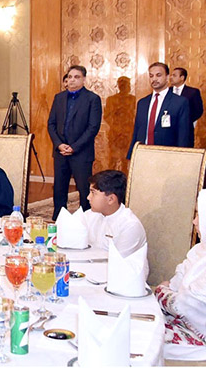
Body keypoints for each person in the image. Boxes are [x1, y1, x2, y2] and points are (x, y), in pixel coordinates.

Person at [154, 190, 206, 360]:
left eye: (199, 216)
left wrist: (161, 291)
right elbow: (176, 282)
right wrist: (168, 291)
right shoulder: (199, 250)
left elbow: (182, 305)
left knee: (144, 341)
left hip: (198, 337)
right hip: (180, 322)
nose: (194, 222)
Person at [47, 65, 103, 220]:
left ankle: (87, 219)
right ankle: (59, 218)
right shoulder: (59, 98)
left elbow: (93, 128)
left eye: (76, 77)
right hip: (60, 151)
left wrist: (74, 147)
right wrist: (59, 145)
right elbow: (51, 124)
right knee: (59, 188)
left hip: (81, 152)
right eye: (70, 77)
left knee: (84, 189)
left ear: (84, 80)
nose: (72, 80)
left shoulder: (92, 99)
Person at [81, 170, 148, 276]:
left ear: (111, 199)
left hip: (123, 279)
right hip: (93, 271)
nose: (88, 197)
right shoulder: (90, 215)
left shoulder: (129, 225)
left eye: (93, 193)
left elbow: (118, 264)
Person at [128, 62, 192, 158]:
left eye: (158, 75)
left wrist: (181, 158)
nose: (154, 79)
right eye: (151, 76)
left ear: (167, 77)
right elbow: (137, 131)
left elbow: (183, 135)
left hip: (167, 156)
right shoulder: (142, 103)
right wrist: (131, 156)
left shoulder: (180, 102)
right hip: (143, 155)